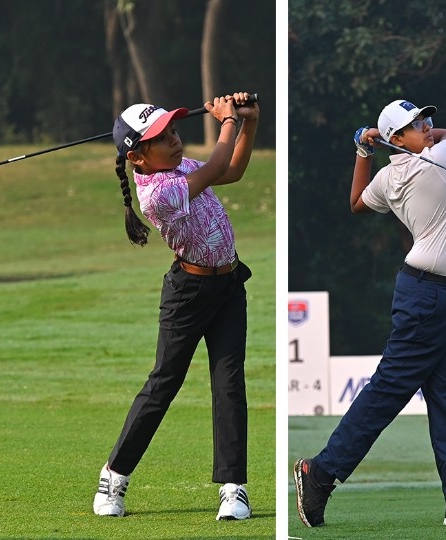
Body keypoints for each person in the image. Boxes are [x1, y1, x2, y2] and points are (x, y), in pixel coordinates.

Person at [293, 100, 446, 528]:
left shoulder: (387, 176)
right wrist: (399, 141)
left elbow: (357, 202)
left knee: (444, 396)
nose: (429, 126)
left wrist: (365, 150)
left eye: (426, 119)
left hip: (444, 294)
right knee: (389, 390)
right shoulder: (440, 157)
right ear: (397, 138)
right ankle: (320, 472)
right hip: (429, 296)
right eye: (416, 124)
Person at [91, 92, 259, 520]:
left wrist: (249, 123)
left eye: (174, 132)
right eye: (162, 138)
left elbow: (232, 170)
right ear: (137, 158)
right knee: (164, 383)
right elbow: (217, 166)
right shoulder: (156, 193)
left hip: (228, 286)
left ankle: (233, 488)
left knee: (229, 384)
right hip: (189, 293)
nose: (175, 141)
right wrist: (226, 121)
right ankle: (114, 475)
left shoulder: (179, 166)